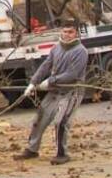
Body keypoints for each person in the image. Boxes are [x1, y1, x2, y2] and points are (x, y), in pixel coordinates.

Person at [13, 24, 88, 165]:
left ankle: (62, 154)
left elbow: (72, 74)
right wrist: (33, 83)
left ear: (76, 33)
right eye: (64, 31)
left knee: (61, 122)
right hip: (55, 91)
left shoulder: (81, 51)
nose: (67, 34)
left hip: (72, 92)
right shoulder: (56, 48)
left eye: (70, 32)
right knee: (39, 119)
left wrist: (50, 82)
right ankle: (32, 150)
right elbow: (45, 66)